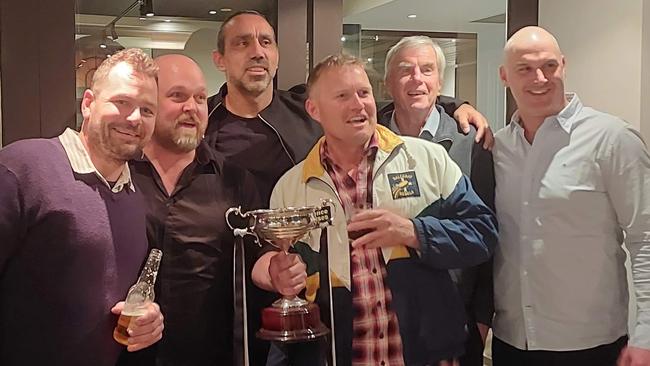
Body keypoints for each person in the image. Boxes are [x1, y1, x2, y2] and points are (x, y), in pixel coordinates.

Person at [206, 10, 493, 365]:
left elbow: (484, 233)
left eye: (364, 93)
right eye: (342, 96)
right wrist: (278, 271)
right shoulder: (290, 185)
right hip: (329, 349)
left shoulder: (429, 159)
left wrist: (413, 231)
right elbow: (273, 259)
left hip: (427, 353)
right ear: (314, 109)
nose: (358, 104)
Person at [206, 10, 493, 203]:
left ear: (276, 55)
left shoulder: (304, 108)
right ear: (220, 59)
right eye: (242, 43)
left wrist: (453, 105)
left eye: (265, 42)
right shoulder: (203, 120)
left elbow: (388, 104)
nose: (257, 52)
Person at [492, 26, 650, 366]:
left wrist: (646, 336)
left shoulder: (612, 139)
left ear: (564, 65)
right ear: (505, 76)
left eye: (550, 66)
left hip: (592, 346)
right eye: (525, 69)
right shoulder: (497, 147)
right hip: (511, 342)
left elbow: (645, 238)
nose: (540, 78)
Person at [0, 48, 164, 366]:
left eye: (147, 110)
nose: (134, 119)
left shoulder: (136, 197)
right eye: (122, 102)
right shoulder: (23, 168)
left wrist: (149, 319)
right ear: (88, 103)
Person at [125, 54, 266, 366]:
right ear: (148, 102)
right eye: (177, 96)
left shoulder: (236, 182)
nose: (192, 107)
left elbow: (260, 263)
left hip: (209, 355)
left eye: (200, 98)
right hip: (121, 354)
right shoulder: (117, 173)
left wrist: (279, 269)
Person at [379, 36, 495, 366]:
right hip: (385, 318)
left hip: (455, 320)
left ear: (439, 82)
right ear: (388, 83)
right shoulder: (367, 142)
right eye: (405, 70)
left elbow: (490, 232)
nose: (417, 78)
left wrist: (482, 317)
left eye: (427, 70)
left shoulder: (470, 142)